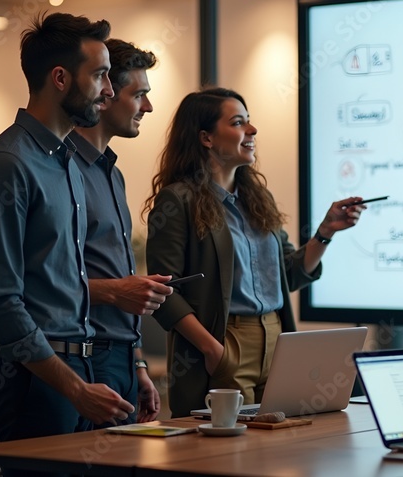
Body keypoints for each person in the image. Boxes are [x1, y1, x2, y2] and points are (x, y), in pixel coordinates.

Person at [0, 13, 134, 454]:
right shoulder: (9, 165)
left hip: (79, 368)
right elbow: (0, 305)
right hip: (32, 384)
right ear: (60, 78)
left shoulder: (68, 166)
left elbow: (66, 284)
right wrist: (75, 389)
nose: (110, 91)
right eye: (99, 75)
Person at [144, 87, 368, 417]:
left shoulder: (258, 199)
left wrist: (325, 232)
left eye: (249, 122)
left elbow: (289, 273)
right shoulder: (177, 201)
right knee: (233, 456)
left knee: (281, 449)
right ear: (206, 138)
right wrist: (214, 351)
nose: (252, 130)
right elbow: (164, 292)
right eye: (238, 123)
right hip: (225, 341)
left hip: (278, 340)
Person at [69, 38, 170, 426]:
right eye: (139, 94)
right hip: (84, 357)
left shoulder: (113, 173)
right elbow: (46, 283)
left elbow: (119, 275)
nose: (147, 106)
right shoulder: (64, 171)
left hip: (121, 357)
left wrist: (138, 362)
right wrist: (117, 291)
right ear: (105, 94)